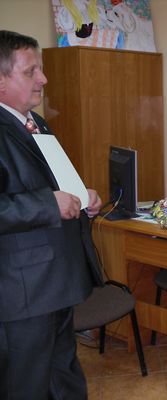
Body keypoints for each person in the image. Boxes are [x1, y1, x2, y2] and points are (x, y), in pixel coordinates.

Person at [0, 30, 103, 399]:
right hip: (23, 292)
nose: (43, 79)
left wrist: (82, 197)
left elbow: (51, 183)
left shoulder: (36, 123)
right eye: (31, 71)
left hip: (56, 282)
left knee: (64, 378)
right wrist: (49, 204)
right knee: (26, 386)